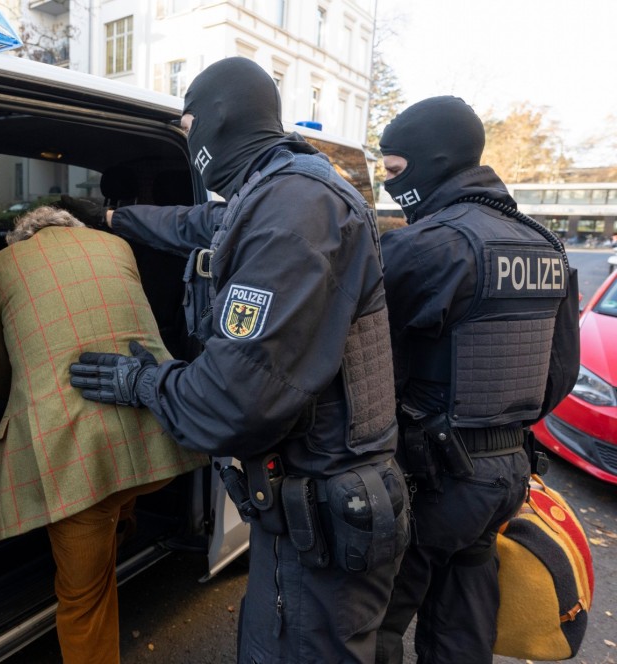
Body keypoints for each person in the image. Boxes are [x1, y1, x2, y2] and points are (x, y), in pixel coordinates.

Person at [66, 57, 409, 663]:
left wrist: (142, 382)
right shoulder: (277, 189)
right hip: (317, 503)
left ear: (217, 120)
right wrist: (115, 219)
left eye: (190, 123)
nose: (189, 138)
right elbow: (198, 223)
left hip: (324, 511)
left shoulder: (296, 209)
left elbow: (232, 400)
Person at [373, 96, 571, 663]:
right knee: (463, 618)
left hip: (432, 475)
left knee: (375, 619)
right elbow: (560, 373)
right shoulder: (546, 245)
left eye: (394, 171)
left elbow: (364, 366)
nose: (389, 186)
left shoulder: (425, 245)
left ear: (434, 159)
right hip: (507, 472)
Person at [0, 206, 207, 664]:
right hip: (164, 441)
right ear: (77, 233)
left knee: (84, 599)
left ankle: (106, 539)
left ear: (21, 241)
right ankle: (119, 526)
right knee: (118, 492)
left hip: (80, 467)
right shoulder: (117, 246)